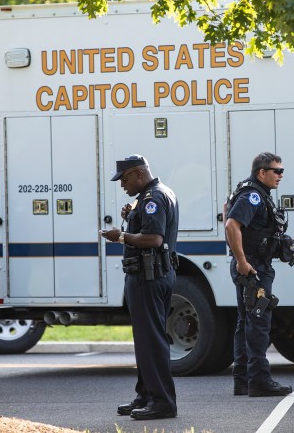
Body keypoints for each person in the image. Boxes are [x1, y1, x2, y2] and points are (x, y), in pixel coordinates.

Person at [101, 155, 179, 420]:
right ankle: (146, 395)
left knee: (151, 342)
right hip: (154, 274)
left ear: (138, 174)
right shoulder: (156, 194)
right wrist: (132, 215)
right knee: (146, 341)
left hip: (149, 275)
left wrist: (120, 236)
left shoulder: (151, 199)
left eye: (124, 179)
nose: (122, 185)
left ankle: (162, 402)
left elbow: (154, 239)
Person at [224, 152, 293, 397]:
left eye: (282, 170)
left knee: (246, 322)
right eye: (277, 171)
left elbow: (226, 210)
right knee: (258, 323)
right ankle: (259, 381)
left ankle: (242, 380)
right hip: (253, 268)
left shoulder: (252, 191)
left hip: (252, 266)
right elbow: (231, 224)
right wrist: (242, 261)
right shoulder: (253, 194)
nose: (281, 175)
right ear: (261, 172)